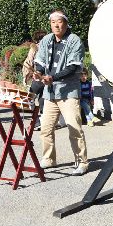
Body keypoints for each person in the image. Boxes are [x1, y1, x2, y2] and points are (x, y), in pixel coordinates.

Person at [33, 9, 89, 175]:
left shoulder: (74, 40)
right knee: (46, 128)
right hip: (50, 93)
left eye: (60, 22)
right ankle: (49, 158)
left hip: (69, 92)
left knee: (74, 127)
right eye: (53, 22)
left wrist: (52, 77)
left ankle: (82, 162)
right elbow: (40, 61)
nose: (56, 25)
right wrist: (38, 72)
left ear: (66, 23)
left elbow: (73, 67)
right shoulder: (46, 40)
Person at [22, 29, 47, 130]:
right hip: (47, 78)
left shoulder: (35, 47)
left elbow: (28, 62)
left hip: (38, 78)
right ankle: (42, 121)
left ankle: (36, 121)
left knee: (30, 98)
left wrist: (25, 76)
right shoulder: (49, 46)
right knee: (42, 100)